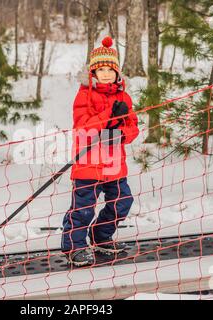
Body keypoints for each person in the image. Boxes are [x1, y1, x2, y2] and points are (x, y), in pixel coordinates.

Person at [61, 36, 140, 266]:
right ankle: (74, 247)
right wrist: (109, 117)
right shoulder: (84, 95)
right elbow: (83, 126)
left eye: (110, 69)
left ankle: (101, 236)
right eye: (100, 69)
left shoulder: (124, 97)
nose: (106, 73)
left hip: (114, 164)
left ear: (117, 72)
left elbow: (133, 128)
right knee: (83, 208)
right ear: (92, 73)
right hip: (88, 163)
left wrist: (121, 131)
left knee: (122, 201)